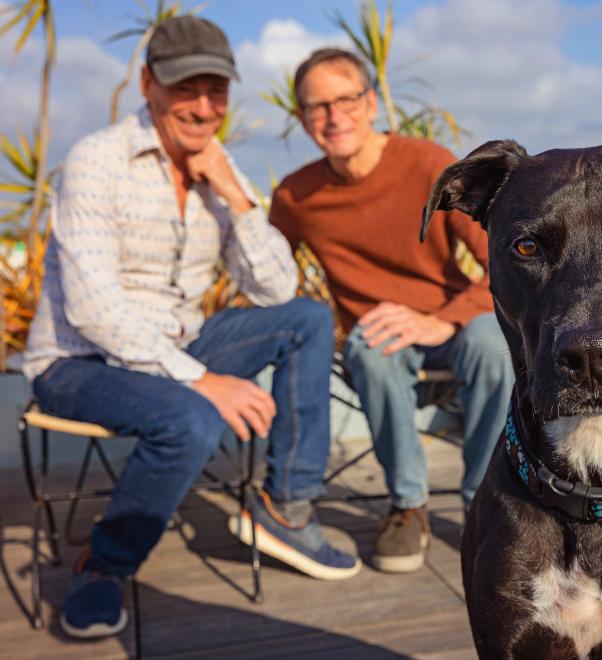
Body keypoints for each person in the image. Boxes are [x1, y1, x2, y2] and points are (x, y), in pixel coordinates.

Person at [23, 17, 360, 640]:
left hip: (176, 348)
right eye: (186, 88)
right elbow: (92, 309)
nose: (204, 107)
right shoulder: (98, 160)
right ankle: (103, 566)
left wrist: (236, 196)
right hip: (77, 362)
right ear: (148, 84)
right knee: (192, 417)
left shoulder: (218, 166)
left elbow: (276, 289)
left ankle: (284, 508)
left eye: (217, 89)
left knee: (307, 318)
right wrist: (202, 380)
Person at [270, 48, 514, 574]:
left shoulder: (427, 163)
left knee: (494, 343)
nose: (334, 117)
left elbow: (502, 262)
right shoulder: (295, 196)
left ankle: (484, 502)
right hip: (380, 331)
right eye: (317, 107)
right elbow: (268, 277)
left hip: (452, 316)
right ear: (302, 120)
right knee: (370, 348)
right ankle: (408, 506)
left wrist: (442, 317)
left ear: (372, 102)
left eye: (346, 99)